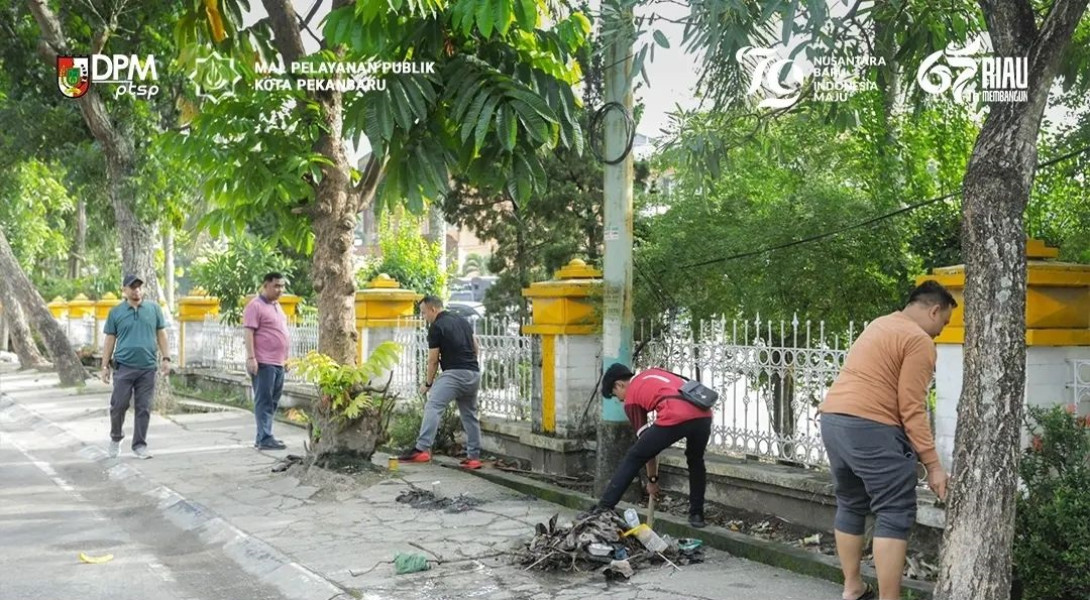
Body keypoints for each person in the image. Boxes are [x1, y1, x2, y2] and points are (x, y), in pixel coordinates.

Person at [819, 280, 955, 600]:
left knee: (852, 503)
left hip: (833, 420)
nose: (941, 331)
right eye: (944, 322)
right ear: (934, 310)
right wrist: (933, 465)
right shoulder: (918, 340)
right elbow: (912, 407)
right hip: (869, 427)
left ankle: (853, 588)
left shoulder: (880, 324)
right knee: (895, 510)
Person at [595, 363, 713, 528]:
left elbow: (647, 450)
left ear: (619, 384)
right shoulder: (652, 372)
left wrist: (652, 480)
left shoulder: (631, 398)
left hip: (676, 415)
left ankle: (603, 507)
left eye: (616, 395)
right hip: (704, 415)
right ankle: (697, 515)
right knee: (695, 460)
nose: (620, 400)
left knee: (634, 456)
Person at [398, 295, 483, 469]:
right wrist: (468, 363)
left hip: (454, 374)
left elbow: (433, 361)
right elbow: (476, 346)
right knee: (469, 415)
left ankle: (421, 449)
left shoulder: (436, 327)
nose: (424, 317)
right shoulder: (462, 320)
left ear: (433, 309)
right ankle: (474, 458)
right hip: (473, 373)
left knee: (433, 406)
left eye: (423, 313)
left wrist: (428, 384)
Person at [101, 274, 170, 460]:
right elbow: (109, 339)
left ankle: (140, 445)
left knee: (144, 407)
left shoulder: (154, 309)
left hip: (147, 367)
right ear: (124, 290)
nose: (136, 290)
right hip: (124, 367)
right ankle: (116, 438)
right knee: (118, 405)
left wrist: (166, 358)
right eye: (132, 287)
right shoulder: (116, 312)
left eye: (139, 287)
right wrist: (104, 365)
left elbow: (161, 334)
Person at [243, 272, 290, 451]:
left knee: (273, 400)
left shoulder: (277, 306)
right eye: (276, 286)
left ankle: (262, 436)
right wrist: (251, 358)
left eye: (282, 286)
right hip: (263, 362)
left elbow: (282, 333)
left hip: (278, 363)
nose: (280, 290)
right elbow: (248, 333)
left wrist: (286, 359)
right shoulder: (255, 306)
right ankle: (265, 437)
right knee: (264, 400)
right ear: (265, 285)